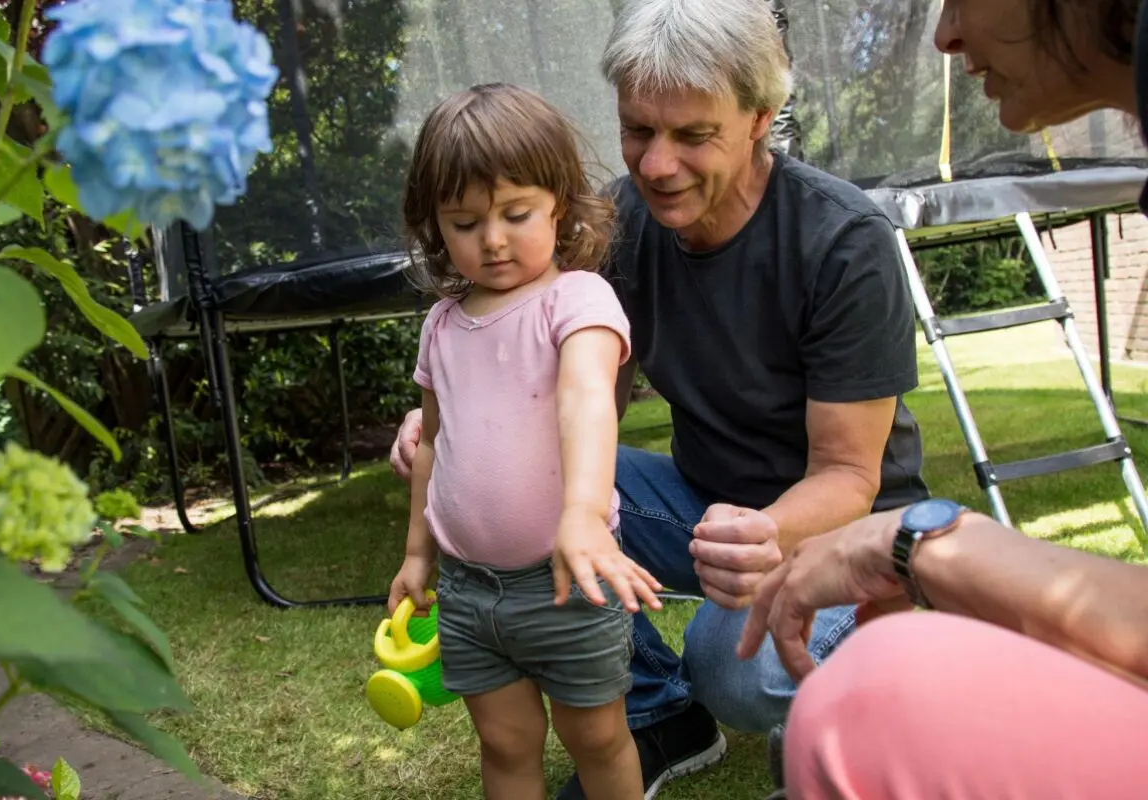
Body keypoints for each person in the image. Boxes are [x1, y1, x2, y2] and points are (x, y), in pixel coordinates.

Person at [390, 0, 930, 796]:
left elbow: (851, 475)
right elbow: (572, 400)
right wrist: (460, 420)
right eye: (637, 130)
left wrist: (768, 533)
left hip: (843, 523)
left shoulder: (842, 241)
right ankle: (660, 713)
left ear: (759, 118)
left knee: (733, 670)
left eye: (692, 135)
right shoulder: (623, 225)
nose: (656, 164)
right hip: (699, 500)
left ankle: (901, 645)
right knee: (527, 483)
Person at [740, 1, 1148, 797]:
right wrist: (922, 545)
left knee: (873, 693)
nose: (944, 36)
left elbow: (848, 472)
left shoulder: (838, 233)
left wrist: (926, 543)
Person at [387, 81, 667, 800]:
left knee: (596, 737)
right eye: (465, 222)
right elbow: (432, 444)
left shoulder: (577, 299)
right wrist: (418, 554)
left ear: (560, 207)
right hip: (468, 589)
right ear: (435, 226)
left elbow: (586, 400)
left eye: (516, 214)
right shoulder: (442, 325)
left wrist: (584, 514)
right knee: (504, 743)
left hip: (564, 580)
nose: (493, 240)